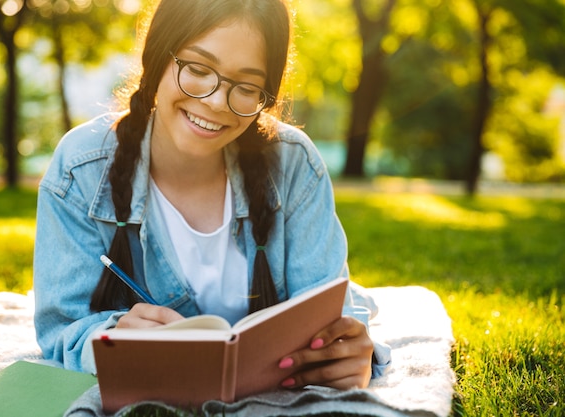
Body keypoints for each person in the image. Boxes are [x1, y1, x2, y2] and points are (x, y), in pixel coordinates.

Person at [33, 0, 389, 396]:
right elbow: (62, 329)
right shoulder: (81, 168)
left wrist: (347, 354)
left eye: (247, 87)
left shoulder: (294, 164)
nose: (217, 103)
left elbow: (328, 312)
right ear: (156, 57)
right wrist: (112, 337)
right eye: (198, 70)